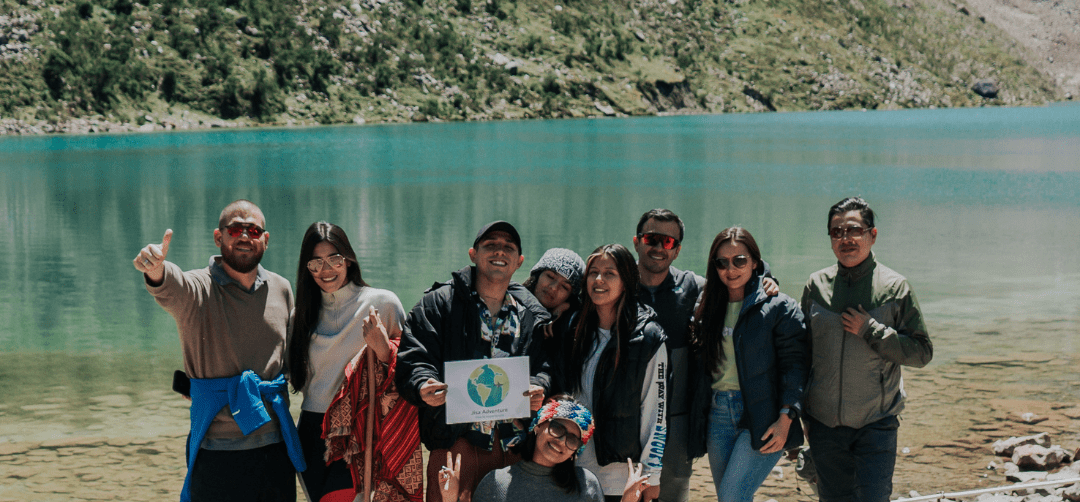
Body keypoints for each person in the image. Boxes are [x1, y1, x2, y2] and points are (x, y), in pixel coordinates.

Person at [132, 200, 304, 502]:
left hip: (274, 446)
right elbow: (172, 286)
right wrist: (157, 270)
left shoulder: (281, 288)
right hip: (217, 449)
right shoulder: (199, 288)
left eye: (253, 229)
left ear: (265, 239)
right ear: (218, 237)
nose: (245, 236)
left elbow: (292, 360)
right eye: (235, 228)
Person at [395, 221, 553, 502]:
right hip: (456, 440)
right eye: (490, 245)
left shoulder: (532, 314)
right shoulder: (438, 304)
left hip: (513, 444)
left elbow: (546, 365)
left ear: (519, 261)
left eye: (508, 247)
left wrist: (539, 385)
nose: (499, 252)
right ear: (473, 254)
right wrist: (423, 385)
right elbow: (414, 358)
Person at [631, 209, 778, 502]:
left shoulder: (693, 288)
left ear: (677, 250)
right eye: (652, 239)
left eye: (669, 242)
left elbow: (736, 276)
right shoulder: (618, 284)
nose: (659, 248)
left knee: (672, 492)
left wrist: (766, 278)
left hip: (678, 419)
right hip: (624, 415)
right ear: (637, 242)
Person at [801, 197, 933, 502]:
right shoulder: (816, 286)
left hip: (876, 424)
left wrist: (871, 331)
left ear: (872, 235)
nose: (845, 238)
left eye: (854, 230)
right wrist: (802, 415)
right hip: (824, 427)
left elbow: (922, 352)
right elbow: (800, 354)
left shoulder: (895, 287)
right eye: (837, 232)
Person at [287, 222, 421, 502]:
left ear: (348, 259)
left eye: (334, 259)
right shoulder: (300, 315)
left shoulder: (381, 304)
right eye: (316, 263)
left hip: (358, 431)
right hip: (311, 431)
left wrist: (384, 349)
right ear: (306, 268)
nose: (326, 270)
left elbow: (411, 370)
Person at [686, 227, 808, 502]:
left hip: (762, 416)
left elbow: (796, 366)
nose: (731, 269)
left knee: (731, 498)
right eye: (722, 262)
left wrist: (787, 418)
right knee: (732, 498)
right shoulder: (706, 307)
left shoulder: (779, 307)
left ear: (755, 262)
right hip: (717, 414)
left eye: (740, 260)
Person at [561, 243, 668, 502]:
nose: (599, 279)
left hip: (621, 478)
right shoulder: (575, 328)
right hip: (572, 469)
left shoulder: (648, 338)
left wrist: (651, 476)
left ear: (626, 281)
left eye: (610, 273)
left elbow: (656, 412)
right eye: (593, 272)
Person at [437, 396, 651, 502]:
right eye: (557, 428)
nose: (561, 442)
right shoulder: (497, 483)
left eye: (573, 440)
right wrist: (450, 500)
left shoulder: (586, 484)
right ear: (538, 426)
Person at [523, 248, 586, 394]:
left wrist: (567, 307)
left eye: (564, 286)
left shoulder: (568, 323)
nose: (553, 288)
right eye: (550, 276)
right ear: (537, 275)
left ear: (571, 296)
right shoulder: (511, 304)